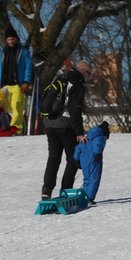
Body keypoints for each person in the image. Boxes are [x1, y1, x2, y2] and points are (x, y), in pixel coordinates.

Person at [41, 60, 92, 200]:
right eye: (90, 74)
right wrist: (79, 132)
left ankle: (46, 190)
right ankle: (66, 190)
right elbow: (74, 109)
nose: (90, 78)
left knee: (53, 158)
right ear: (84, 71)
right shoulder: (77, 82)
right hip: (66, 124)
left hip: (50, 123)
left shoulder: (61, 77)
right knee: (72, 158)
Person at [0, 24, 33, 133]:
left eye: (13, 39)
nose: (11, 41)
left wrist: (26, 81)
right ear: (6, 40)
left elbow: (28, 67)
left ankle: (16, 128)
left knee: (16, 106)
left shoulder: (23, 52)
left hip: (18, 85)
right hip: (4, 85)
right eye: (9, 39)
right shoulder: (1, 52)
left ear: (16, 39)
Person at [73, 121, 110, 204]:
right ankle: (89, 198)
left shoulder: (86, 138)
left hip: (84, 162)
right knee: (94, 179)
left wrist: (76, 160)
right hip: (94, 161)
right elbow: (97, 146)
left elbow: (78, 149)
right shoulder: (100, 138)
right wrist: (98, 154)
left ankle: (84, 196)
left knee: (87, 179)